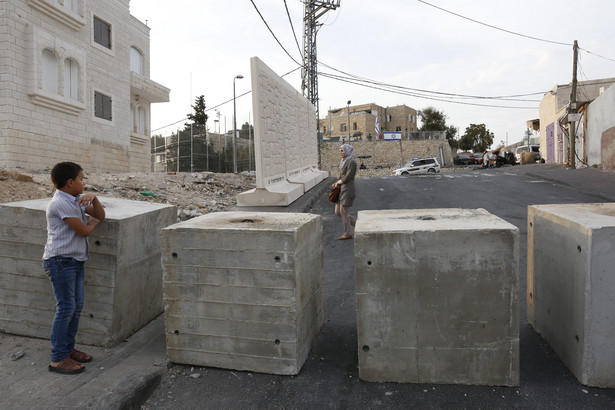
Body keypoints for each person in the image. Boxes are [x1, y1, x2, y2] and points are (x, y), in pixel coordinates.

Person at [44, 162, 105, 375]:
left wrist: (94, 199)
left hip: (74, 261)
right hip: (60, 262)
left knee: (75, 307)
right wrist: (93, 223)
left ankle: (67, 349)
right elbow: (83, 231)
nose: (84, 182)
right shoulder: (59, 204)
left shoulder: (75, 200)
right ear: (70, 182)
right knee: (66, 308)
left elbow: (100, 214)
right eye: (81, 179)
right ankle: (58, 358)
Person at [333, 144, 357, 240]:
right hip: (341, 189)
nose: (341, 153)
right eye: (340, 151)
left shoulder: (351, 162)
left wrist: (339, 182)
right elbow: (341, 176)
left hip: (348, 189)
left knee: (344, 211)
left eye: (342, 151)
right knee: (338, 212)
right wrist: (337, 183)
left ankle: (347, 233)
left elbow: (347, 176)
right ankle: (359, 224)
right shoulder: (343, 161)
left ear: (347, 151)